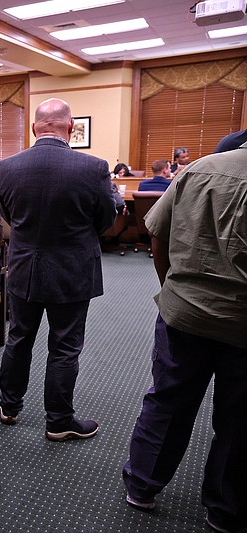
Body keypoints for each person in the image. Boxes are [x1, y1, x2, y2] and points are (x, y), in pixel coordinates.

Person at [122, 143, 247, 533]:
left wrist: (172, 290)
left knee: (168, 398)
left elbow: (156, 235)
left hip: (184, 312)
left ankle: (142, 485)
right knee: (239, 419)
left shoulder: (199, 169)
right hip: (241, 322)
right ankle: (225, 509)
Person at [0, 98, 116, 441]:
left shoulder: (8, 166)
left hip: (23, 268)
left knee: (18, 339)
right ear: (71, 127)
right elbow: (106, 220)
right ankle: (59, 421)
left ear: (35, 128)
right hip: (72, 270)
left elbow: (7, 213)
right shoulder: (93, 167)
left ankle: (9, 406)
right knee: (64, 347)